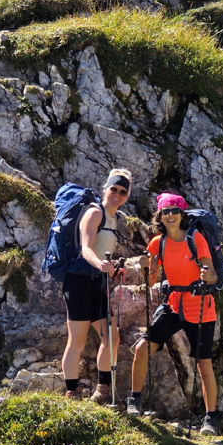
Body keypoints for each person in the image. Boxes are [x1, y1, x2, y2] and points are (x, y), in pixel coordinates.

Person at [127, 193, 220, 435]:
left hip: (200, 306)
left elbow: (212, 275)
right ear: (159, 216)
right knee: (142, 347)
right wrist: (146, 268)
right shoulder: (157, 243)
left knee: (203, 364)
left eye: (174, 211)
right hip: (173, 304)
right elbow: (151, 282)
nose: (170, 215)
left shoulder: (196, 239)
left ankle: (210, 418)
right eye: (165, 211)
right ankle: (134, 400)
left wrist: (208, 276)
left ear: (182, 214)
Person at [61, 169, 130, 404]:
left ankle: (102, 391)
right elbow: (86, 249)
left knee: (111, 337)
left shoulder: (115, 218)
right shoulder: (94, 212)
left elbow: (103, 253)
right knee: (77, 341)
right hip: (78, 282)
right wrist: (101, 264)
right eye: (114, 189)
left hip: (98, 283)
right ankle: (72, 393)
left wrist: (112, 270)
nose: (117, 194)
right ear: (105, 189)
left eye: (123, 192)